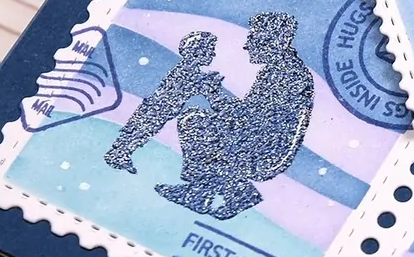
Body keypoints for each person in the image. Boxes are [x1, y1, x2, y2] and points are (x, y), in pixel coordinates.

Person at [154, 12, 315, 221]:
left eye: (253, 38)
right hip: (256, 140)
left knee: (194, 123)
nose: (247, 46)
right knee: (200, 121)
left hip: (264, 150)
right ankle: (213, 193)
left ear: (274, 41)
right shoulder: (280, 70)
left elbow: (249, 121)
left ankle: (224, 193)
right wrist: (216, 98)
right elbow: (249, 117)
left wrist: (214, 95)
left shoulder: (287, 75)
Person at [104, 30, 225, 173]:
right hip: (159, 108)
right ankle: (118, 154)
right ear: (197, 51)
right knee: (141, 130)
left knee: (142, 131)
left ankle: (120, 153)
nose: (213, 54)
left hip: (160, 108)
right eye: (210, 49)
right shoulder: (188, 71)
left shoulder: (190, 71)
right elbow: (200, 88)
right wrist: (209, 85)